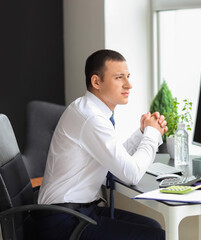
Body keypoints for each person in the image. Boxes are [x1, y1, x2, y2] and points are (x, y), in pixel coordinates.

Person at [37, 49, 167, 240]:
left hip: (79, 212)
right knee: (153, 235)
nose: (128, 85)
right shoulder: (91, 118)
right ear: (96, 82)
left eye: (128, 77)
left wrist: (141, 134)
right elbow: (131, 174)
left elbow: (113, 160)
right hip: (64, 222)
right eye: (119, 77)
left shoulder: (90, 110)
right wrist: (153, 133)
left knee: (153, 227)